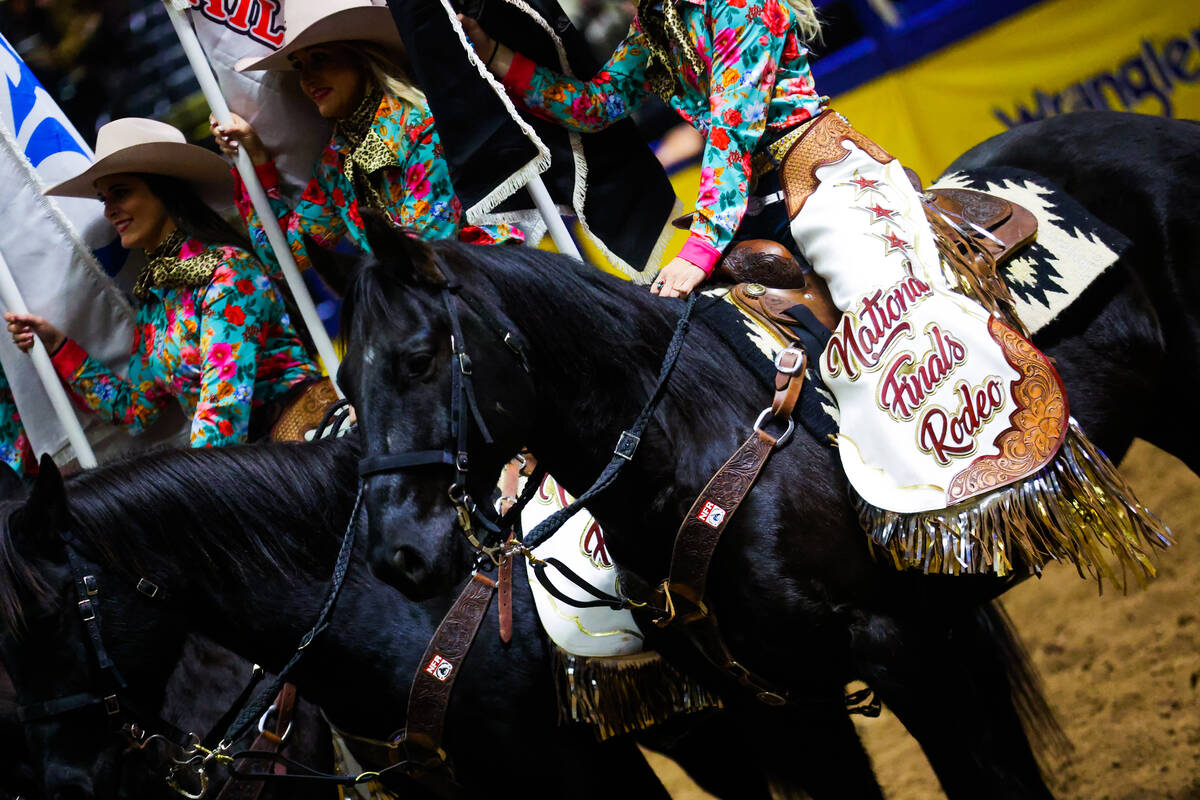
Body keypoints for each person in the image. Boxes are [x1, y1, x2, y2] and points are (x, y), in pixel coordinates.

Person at [459, 0, 1170, 579]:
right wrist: (495, 56)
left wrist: (700, 249)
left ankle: (1004, 462)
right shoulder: (657, 27)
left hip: (822, 170)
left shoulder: (736, 6)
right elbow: (596, 105)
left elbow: (733, 137)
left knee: (887, 314)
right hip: (758, 205)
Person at [5, 117, 321, 448]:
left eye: (121, 193)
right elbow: (137, 411)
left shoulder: (229, 271)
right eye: (104, 199)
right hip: (244, 465)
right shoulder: (155, 300)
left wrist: (195, 489)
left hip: (302, 450)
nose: (109, 211)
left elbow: (223, 409)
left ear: (164, 190)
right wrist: (57, 345)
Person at [210, 0, 522, 279]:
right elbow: (284, 260)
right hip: (425, 309)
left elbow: (428, 246)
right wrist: (258, 162)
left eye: (319, 57)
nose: (306, 78)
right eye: (299, 65)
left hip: (489, 284)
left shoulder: (422, 124)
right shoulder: (336, 160)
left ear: (360, 57)